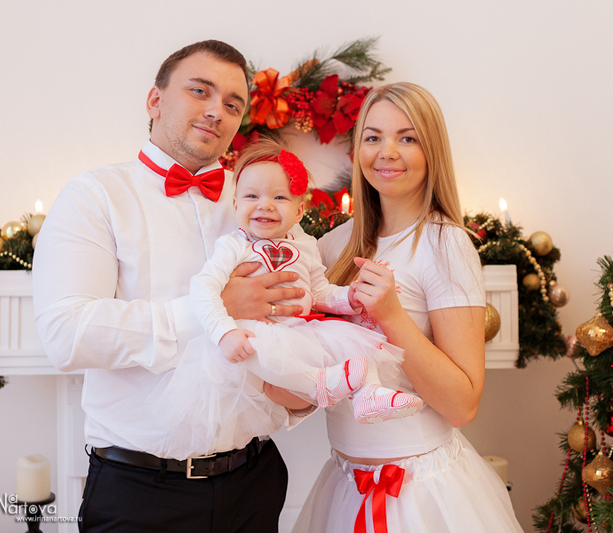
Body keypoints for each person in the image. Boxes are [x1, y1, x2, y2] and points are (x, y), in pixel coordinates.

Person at [32, 40, 307, 533]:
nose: (216, 111)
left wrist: (303, 394)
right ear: (154, 101)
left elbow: (301, 301)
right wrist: (210, 310)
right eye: (200, 91)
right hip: (138, 492)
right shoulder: (94, 196)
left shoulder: (263, 197)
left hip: (256, 479)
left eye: (233, 104)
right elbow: (66, 334)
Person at [291, 82, 525, 533]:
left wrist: (392, 316)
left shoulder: (445, 244)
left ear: (431, 149)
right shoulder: (331, 247)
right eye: (373, 137)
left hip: (421, 493)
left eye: (407, 137)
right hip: (344, 485)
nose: (387, 152)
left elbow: (462, 405)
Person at [133, 140, 423, 460]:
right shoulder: (234, 245)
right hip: (250, 332)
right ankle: (319, 383)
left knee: (352, 341)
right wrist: (224, 332)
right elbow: (205, 288)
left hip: (298, 332)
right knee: (257, 351)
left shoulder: (305, 244)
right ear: (235, 204)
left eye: (279, 197)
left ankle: (370, 393)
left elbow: (318, 292)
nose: (265, 205)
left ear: (299, 210)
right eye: (252, 196)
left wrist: (349, 297)